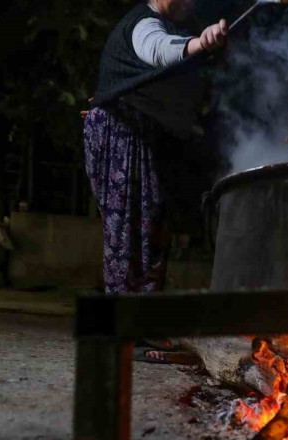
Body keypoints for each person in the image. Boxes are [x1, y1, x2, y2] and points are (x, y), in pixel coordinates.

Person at [83, 0, 227, 361]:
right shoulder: (143, 23)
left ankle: (140, 326)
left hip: (140, 134)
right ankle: (127, 331)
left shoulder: (173, 25)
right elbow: (159, 51)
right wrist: (199, 43)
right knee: (130, 231)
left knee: (149, 229)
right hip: (122, 131)